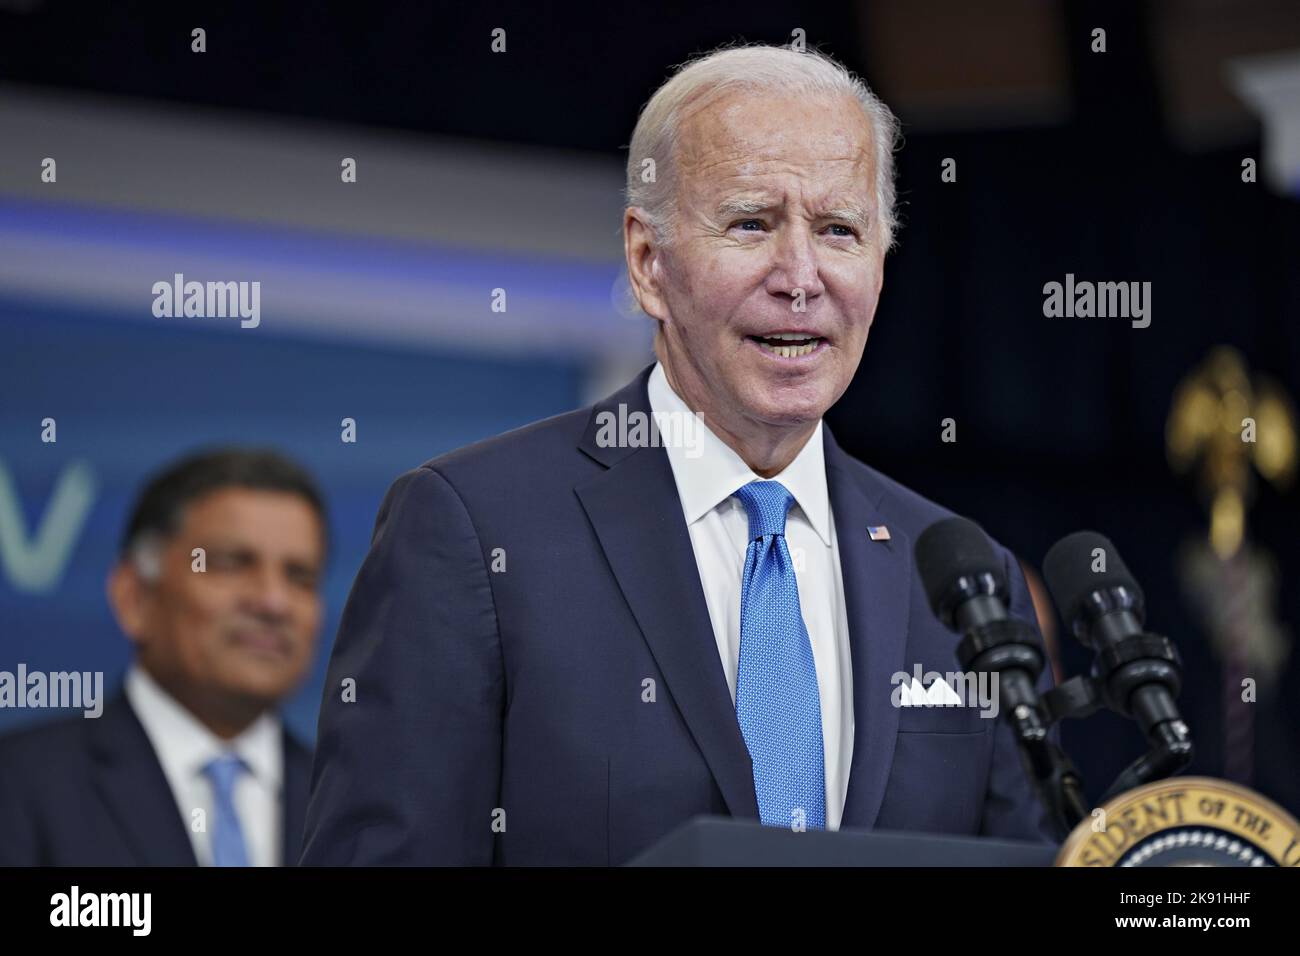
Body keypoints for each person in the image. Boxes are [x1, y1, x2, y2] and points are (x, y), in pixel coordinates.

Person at [301, 43, 1058, 866]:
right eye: (750, 224)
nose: (800, 276)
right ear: (648, 262)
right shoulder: (473, 530)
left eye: (840, 229)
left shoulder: (962, 578)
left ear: (879, 265)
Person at [0, 449, 328, 866]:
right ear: (135, 597)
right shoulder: (19, 786)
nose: (273, 602)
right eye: (230, 564)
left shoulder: (352, 803)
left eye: (300, 576)